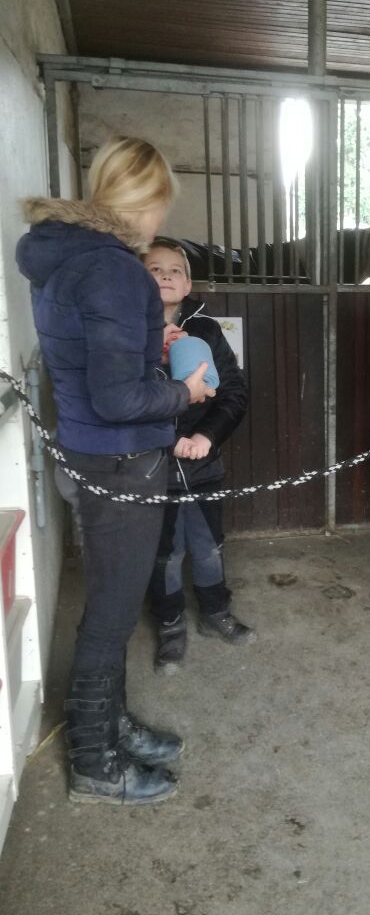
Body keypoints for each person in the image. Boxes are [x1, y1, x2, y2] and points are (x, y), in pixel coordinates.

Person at [16, 136, 215, 806]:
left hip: (94, 449)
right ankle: (96, 761)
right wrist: (183, 395)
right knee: (109, 612)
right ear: (144, 200)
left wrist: (143, 348)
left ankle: (108, 723)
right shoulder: (112, 270)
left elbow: (97, 364)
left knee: (113, 602)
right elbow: (119, 397)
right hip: (122, 457)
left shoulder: (70, 257)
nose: (160, 219)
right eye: (159, 204)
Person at [142, 238, 254, 674]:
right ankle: (169, 626)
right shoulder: (128, 335)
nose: (166, 275)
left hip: (203, 463)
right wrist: (155, 350)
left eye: (175, 270)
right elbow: (124, 399)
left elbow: (234, 392)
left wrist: (207, 436)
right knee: (164, 553)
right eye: (154, 269)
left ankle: (214, 612)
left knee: (208, 546)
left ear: (187, 283)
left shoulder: (207, 331)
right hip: (151, 468)